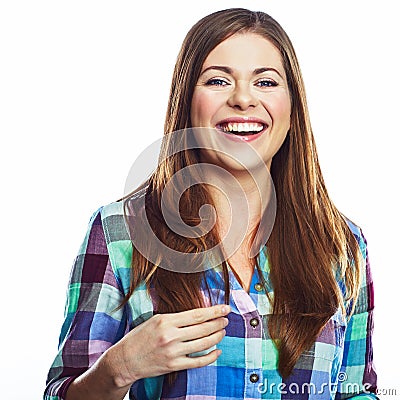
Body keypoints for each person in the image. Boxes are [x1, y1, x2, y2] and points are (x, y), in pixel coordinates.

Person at [44, 8, 378, 400]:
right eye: (218, 80)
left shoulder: (343, 245)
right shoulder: (121, 231)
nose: (242, 99)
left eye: (266, 82)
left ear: (293, 109)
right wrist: (120, 368)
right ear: (187, 101)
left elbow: (358, 390)